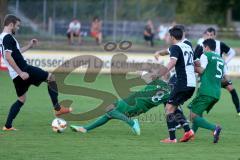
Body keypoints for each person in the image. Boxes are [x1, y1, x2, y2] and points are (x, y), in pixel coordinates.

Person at [0, 14, 72, 131]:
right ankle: (57, 108)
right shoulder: (8, 37)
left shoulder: (2, 37)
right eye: (17, 26)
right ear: (11, 24)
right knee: (51, 78)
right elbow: (8, 57)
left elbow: (15, 53)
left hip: (15, 76)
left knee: (21, 99)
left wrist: (29, 46)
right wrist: (21, 72)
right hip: (24, 70)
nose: (18, 28)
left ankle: (7, 126)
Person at [70, 77, 171, 135]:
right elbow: (169, 108)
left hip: (134, 103)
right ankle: (85, 129)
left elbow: (144, 75)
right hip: (138, 106)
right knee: (109, 113)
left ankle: (132, 123)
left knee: (110, 111)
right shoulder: (170, 93)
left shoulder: (157, 81)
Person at [159, 27, 196, 143]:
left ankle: (172, 138)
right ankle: (188, 131)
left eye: (168, 36)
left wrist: (161, 72)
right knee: (173, 107)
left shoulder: (175, 47)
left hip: (182, 83)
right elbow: (196, 63)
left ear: (172, 37)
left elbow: (173, 62)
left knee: (168, 108)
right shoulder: (188, 47)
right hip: (192, 84)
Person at [195, 27, 240, 115]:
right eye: (208, 35)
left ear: (215, 36)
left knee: (231, 88)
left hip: (219, 73)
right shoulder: (201, 45)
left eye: (211, 35)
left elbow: (232, 52)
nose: (209, 37)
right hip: (207, 73)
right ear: (204, 35)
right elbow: (196, 58)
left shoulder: (220, 44)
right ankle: (198, 111)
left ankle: (239, 110)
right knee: (203, 91)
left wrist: (225, 62)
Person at [189, 39, 224, 143]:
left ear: (207, 47)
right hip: (216, 92)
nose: (203, 50)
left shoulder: (206, 55)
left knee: (192, 116)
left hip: (206, 91)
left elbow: (201, 70)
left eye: (204, 48)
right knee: (198, 113)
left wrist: (189, 66)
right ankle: (191, 134)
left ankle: (215, 128)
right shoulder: (220, 59)